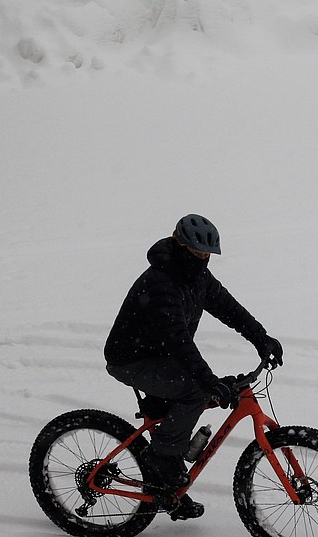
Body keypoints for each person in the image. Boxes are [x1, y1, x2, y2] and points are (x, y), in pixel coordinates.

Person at [105, 214, 283, 520]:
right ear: (179, 245)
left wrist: (261, 338)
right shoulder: (161, 282)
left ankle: (164, 489)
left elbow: (229, 308)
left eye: (207, 255)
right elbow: (179, 340)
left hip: (162, 354)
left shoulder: (197, 276)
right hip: (132, 359)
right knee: (196, 390)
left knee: (199, 389)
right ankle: (161, 461)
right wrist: (208, 381)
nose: (203, 260)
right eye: (197, 253)